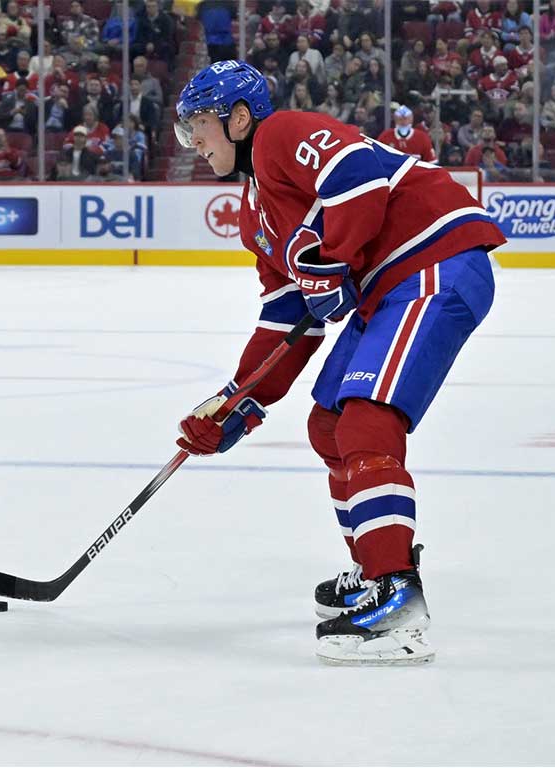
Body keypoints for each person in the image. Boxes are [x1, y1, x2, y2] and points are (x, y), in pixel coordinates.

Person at [174, 58, 504, 665]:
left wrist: (332, 255)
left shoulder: (280, 135)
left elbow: (356, 175)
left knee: (367, 421)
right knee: (328, 423)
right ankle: (376, 563)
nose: (192, 140)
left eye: (199, 123)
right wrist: (236, 400)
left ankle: (398, 600)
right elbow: (284, 322)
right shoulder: (256, 216)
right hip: (392, 288)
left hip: (433, 262)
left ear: (240, 118)